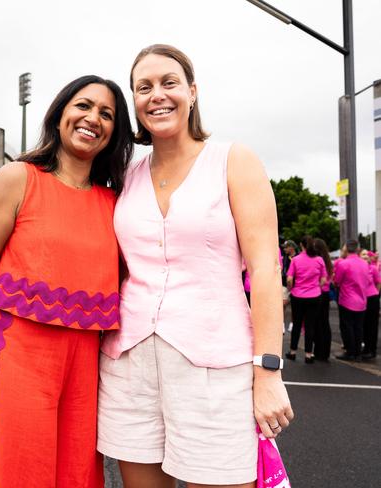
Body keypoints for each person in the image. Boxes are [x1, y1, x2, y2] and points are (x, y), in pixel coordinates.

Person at [96, 45, 293, 488]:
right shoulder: (126, 173)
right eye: (143, 87)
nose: (157, 95)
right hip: (128, 365)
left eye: (169, 83)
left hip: (216, 366)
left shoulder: (233, 160)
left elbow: (264, 269)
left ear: (192, 91)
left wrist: (268, 371)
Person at [0, 74, 133, 487]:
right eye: (83, 106)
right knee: (15, 474)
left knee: (77, 479)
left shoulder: (115, 203)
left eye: (107, 114)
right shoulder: (17, 178)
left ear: (115, 132)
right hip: (14, 360)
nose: (92, 119)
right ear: (60, 112)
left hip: (85, 371)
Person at [285, 235, 327, 364]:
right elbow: (324, 280)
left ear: (301, 245)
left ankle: (292, 352)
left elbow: (289, 279)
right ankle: (309, 354)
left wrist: (291, 288)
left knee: (297, 324)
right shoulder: (319, 260)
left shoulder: (296, 260)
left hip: (298, 296)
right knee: (310, 326)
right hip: (314, 296)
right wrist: (316, 288)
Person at [333, 240, 370, 361]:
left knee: (347, 327)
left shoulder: (343, 264)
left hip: (347, 300)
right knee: (359, 327)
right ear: (358, 249)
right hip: (362, 300)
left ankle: (350, 352)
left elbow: (337, 281)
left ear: (346, 249)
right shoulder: (365, 263)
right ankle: (358, 353)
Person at [313, 238, 334, 361]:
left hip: (316, 293)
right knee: (325, 322)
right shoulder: (328, 262)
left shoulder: (317, 261)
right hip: (325, 294)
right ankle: (325, 352)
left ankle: (318, 350)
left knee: (316, 323)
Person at [361, 249, 380, 360]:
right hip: (361, 300)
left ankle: (371, 350)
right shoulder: (358, 269)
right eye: (362, 254)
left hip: (372, 299)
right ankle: (366, 348)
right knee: (363, 325)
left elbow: (378, 283)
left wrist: (375, 295)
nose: (365, 256)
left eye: (366, 255)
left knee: (372, 326)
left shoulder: (373, 268)